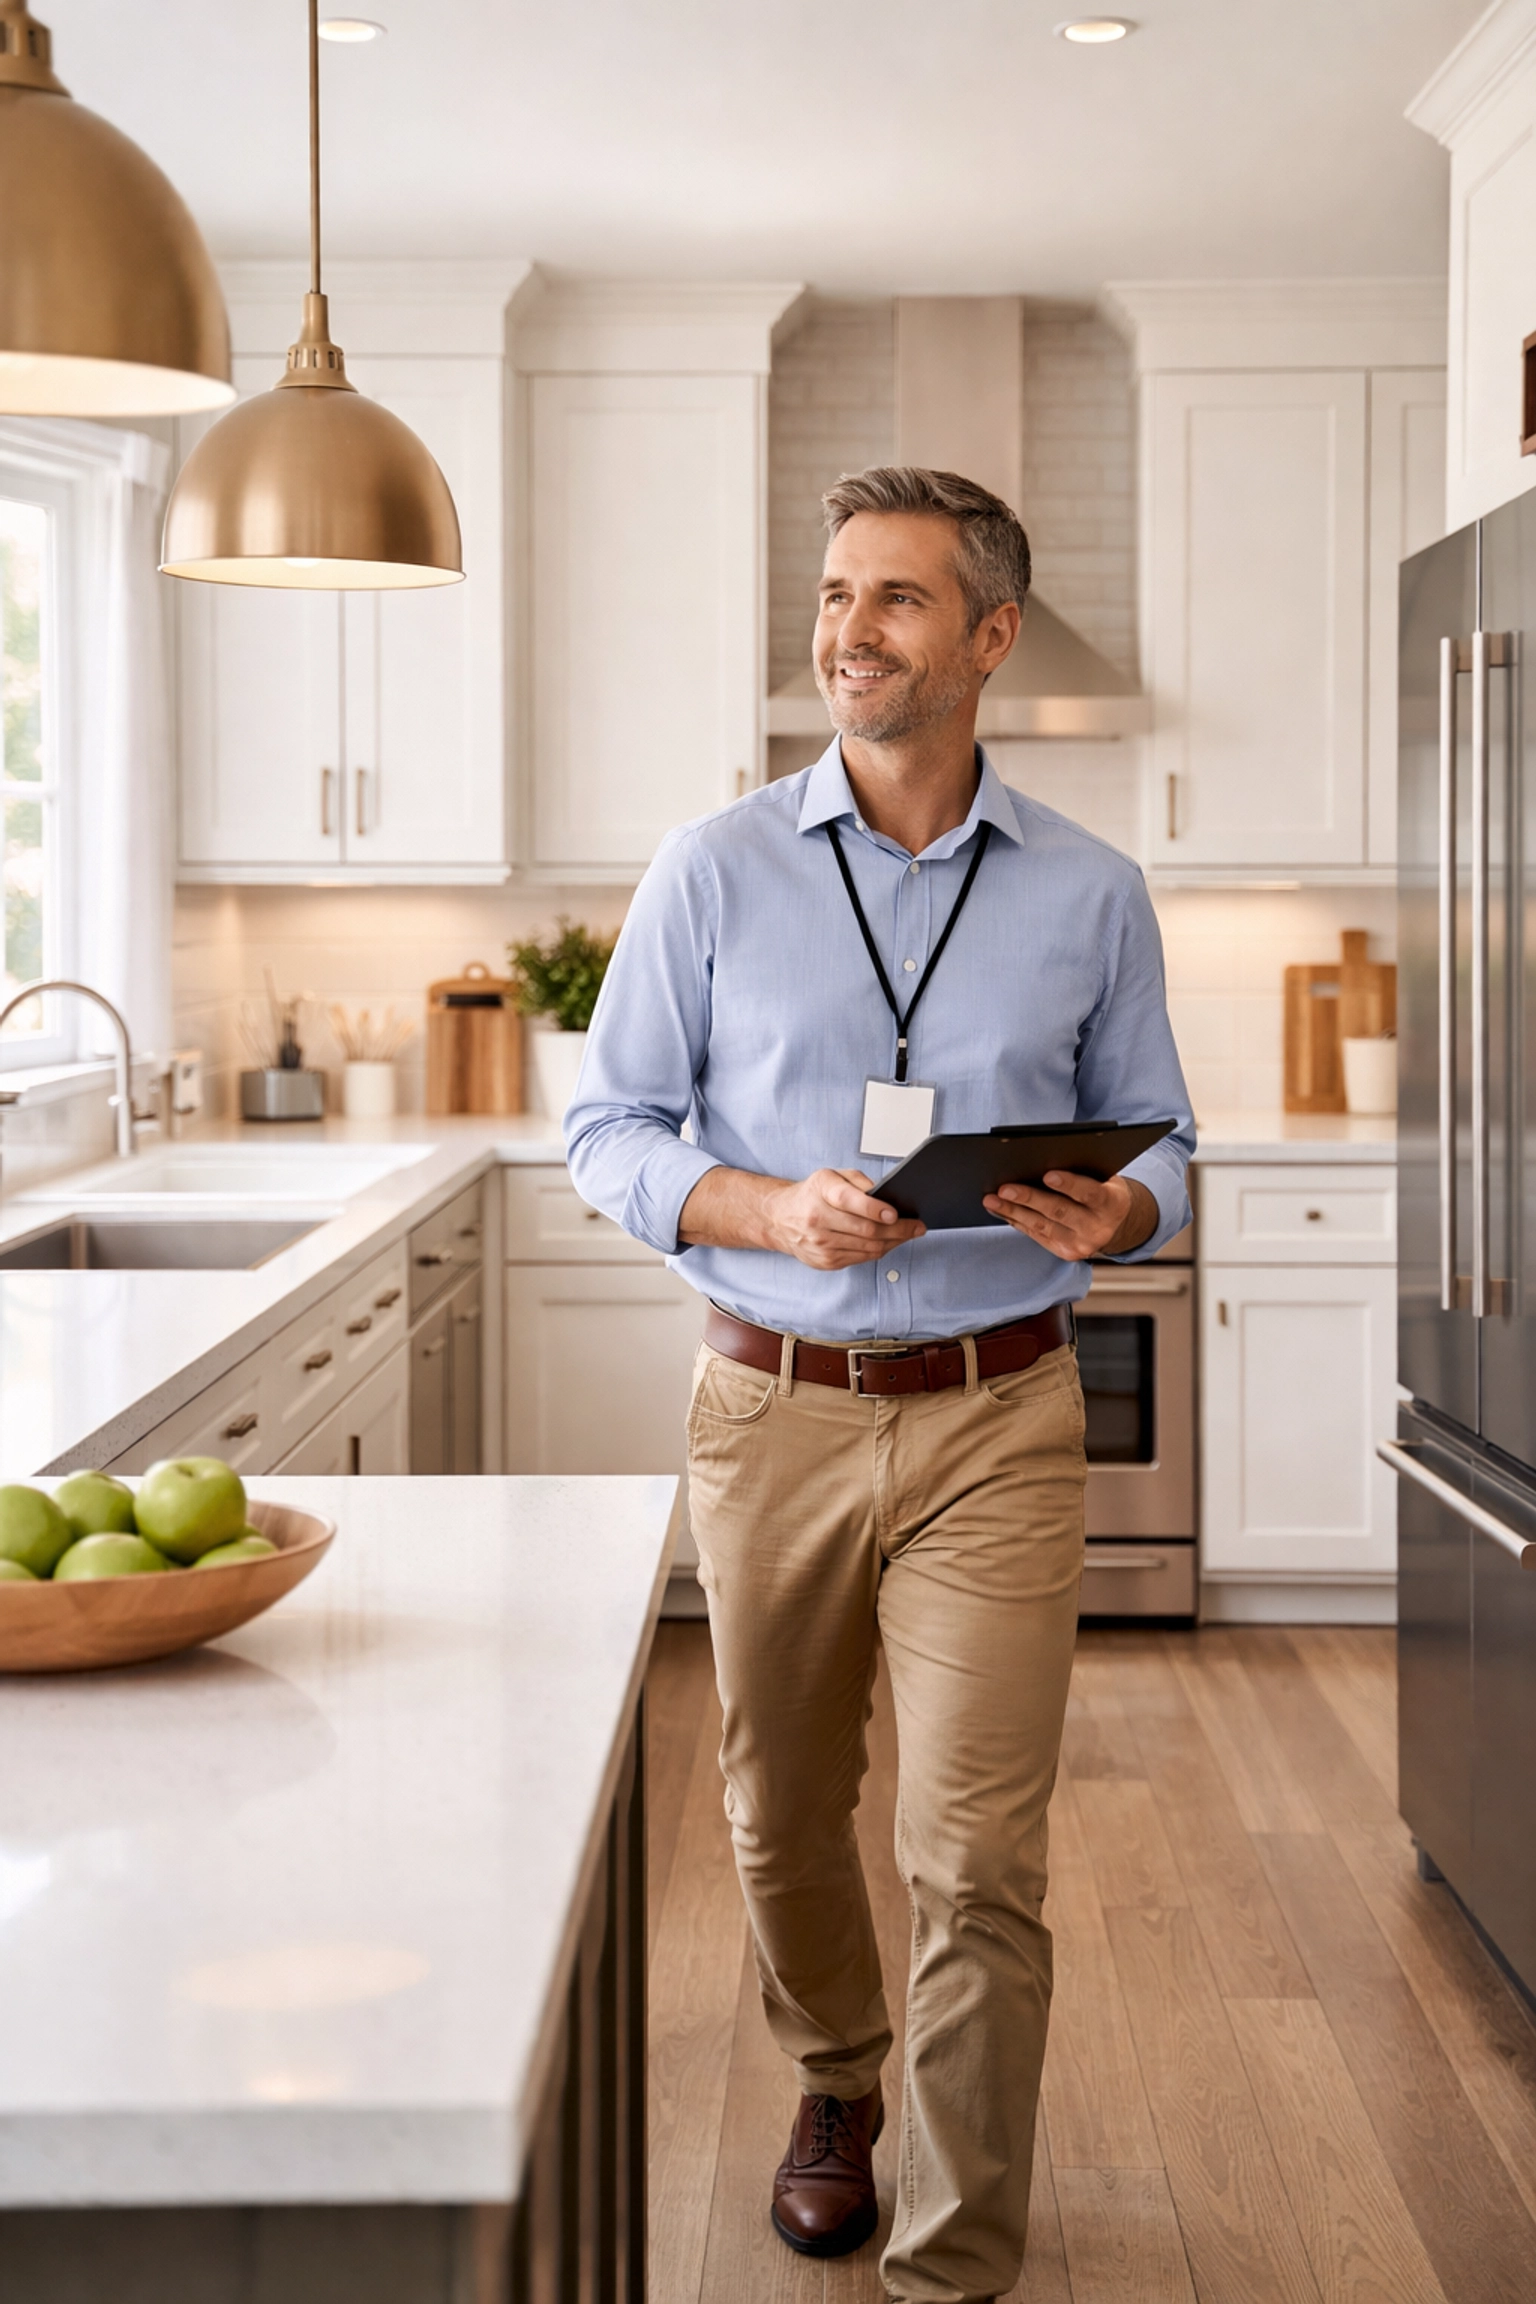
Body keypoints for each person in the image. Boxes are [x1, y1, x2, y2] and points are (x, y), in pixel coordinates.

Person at [566, 465, 1194, 2304]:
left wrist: (1123, 1205)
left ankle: (956, 2256)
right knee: (777, 1804)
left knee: (977, 1848)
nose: (849, 630)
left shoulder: (1092, 891)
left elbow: (1176, 1141)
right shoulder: (714, 868)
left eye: (897, 599)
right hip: (771, 1403)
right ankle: (838, 2078)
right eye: (838, 595)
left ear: (991, 638)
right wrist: (759, 1202)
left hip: (1003, 1409)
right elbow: (604, 1127)